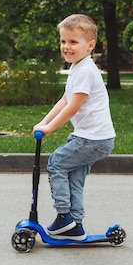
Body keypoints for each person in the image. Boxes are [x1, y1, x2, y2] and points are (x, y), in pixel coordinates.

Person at [32, 14, 116, 240]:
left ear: (90, 46)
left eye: (73, 42)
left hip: (93, 139)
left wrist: (49, 129)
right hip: (95, 138)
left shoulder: (86, 71)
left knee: (57, 163)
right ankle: (75, 225)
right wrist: (44, 121)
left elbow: (73, 108)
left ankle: (64, 218)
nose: (66, 47)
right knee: (73, 177)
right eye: (63, 41)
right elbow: (64, 100)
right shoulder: (78, 68)